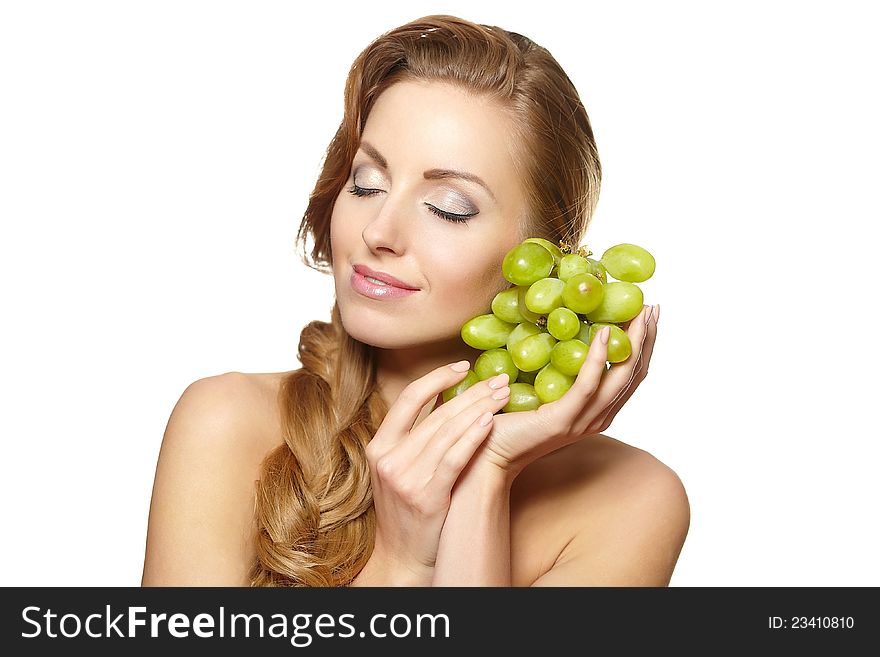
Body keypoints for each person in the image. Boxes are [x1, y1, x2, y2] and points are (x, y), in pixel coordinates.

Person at [141, 14, 689, 587]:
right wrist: (401, 564)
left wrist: (485, 477)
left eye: (449, 206)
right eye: (366, 183)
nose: (378, 231)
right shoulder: (226, 423)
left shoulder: (631, 500)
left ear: (545, 254)